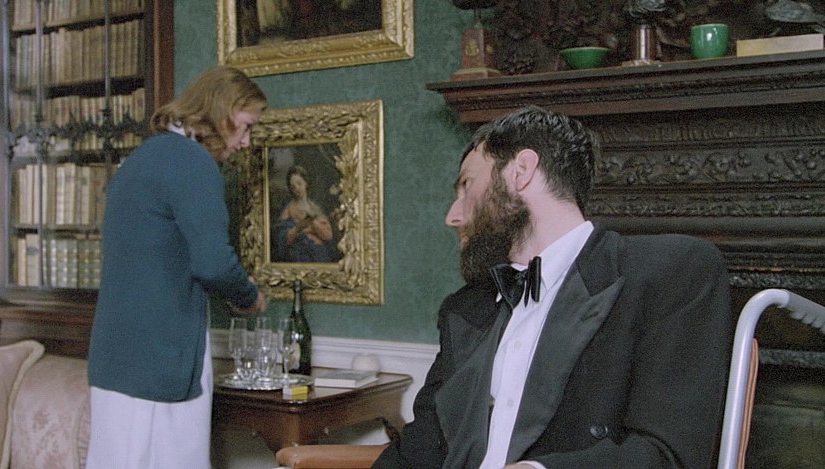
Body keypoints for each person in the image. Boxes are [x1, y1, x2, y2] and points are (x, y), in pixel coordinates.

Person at [373, 106, 734, 468]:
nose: (453, 216)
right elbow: (417, 452)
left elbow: (666, 455)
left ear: (521, 171)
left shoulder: (670, 272)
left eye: (467, 185)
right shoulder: (466, 308)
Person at [86, 66, 268, 469]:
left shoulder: (143, 157)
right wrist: (248, 296)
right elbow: (214, 262)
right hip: (162, 360)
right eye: (246, 126)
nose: (245, 142)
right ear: (223, 111)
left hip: (116, 358)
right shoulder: (192, 163)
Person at [272, 164, 339, 262]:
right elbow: (281, 238)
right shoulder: (289, 209)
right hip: (300, 254)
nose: (297, 189)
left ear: (306, 183)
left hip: (319, 253)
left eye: (299, 184)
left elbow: (328, 235)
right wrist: (298, 228)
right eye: (293, 187)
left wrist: (314, 224)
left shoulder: (315, 208)